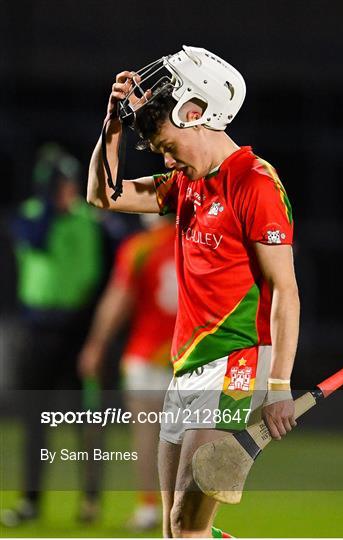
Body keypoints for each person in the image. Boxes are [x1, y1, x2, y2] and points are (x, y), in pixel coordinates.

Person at [87, 46, 300, 538]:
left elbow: (285, 292)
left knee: (188, 524)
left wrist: (280, 386)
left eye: (167, 144)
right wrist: (111, 128)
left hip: (236, 365)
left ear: (197, 114)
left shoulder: (255, 183)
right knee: (174, 529)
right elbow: (105, 194)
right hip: (186, 366)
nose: (166, 158)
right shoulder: (187, 183)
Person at [1, 143, 105, 527]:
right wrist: (49, 204)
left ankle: (90, 500)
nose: (70, 190)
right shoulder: (30, 217)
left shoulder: (86, 220)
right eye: (61, 184)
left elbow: (93, 277)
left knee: (87, 419)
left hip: (75, 329)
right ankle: (30, 501)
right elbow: (37, 240)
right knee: (34, 420)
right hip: (37, 330)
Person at [78, 214, 177, 530]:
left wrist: (96, 344)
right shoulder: (201, 241)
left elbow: (118, 300)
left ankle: (149, 508)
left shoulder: (140, 247)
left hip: (146, 356)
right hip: (192, 356)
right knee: (189, 441)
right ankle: (184, 510)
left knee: (147, 438)